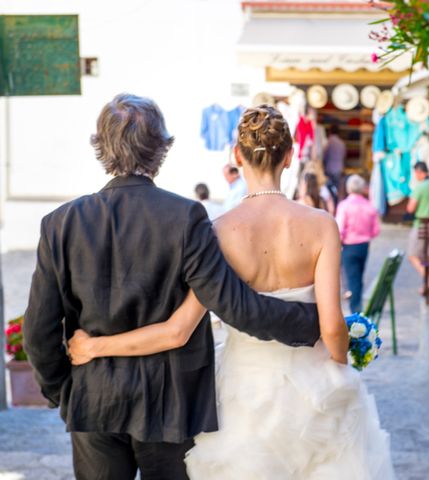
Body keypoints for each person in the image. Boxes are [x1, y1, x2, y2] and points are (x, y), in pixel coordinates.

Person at [68, 105, 395, 479]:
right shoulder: (322, 225)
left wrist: (96, 347)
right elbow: (333, 327)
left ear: (237, 157)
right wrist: (339, 370)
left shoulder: (218, 231)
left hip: (245, 393)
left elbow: (179, 329)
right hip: (317, 382)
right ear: (289, 156)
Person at [22, 94, 320, 480]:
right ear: (162, 148)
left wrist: (65, 393)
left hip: (94, 395)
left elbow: (38, 332)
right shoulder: (186, 217)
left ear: (101, 147)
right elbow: (236, 306)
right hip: (171, 402)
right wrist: (315, 321)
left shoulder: (61, 223)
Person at [335, 175, 381, 313]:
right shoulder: (369, 206)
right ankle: (357, 304)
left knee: (352, 277)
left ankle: (356, 310)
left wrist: (340, 241)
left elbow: (339, 228)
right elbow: (376, 230)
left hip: (349, 246)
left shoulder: (344, 206)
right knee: (358, 276)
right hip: (364, 246)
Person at [406, 161, 429, 293]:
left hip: (421, 225)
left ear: (419, 172)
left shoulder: (420, 187)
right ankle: (427, 283)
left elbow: (410, 208)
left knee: (413, 255)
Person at [323, 124, 346, 191]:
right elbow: (344, 157)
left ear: (330, 131)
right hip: (339, 169)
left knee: (329, 191)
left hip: (329, 170)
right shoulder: (342, 143)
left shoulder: (328, 142)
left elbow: (324, 156)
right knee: (338, 190)